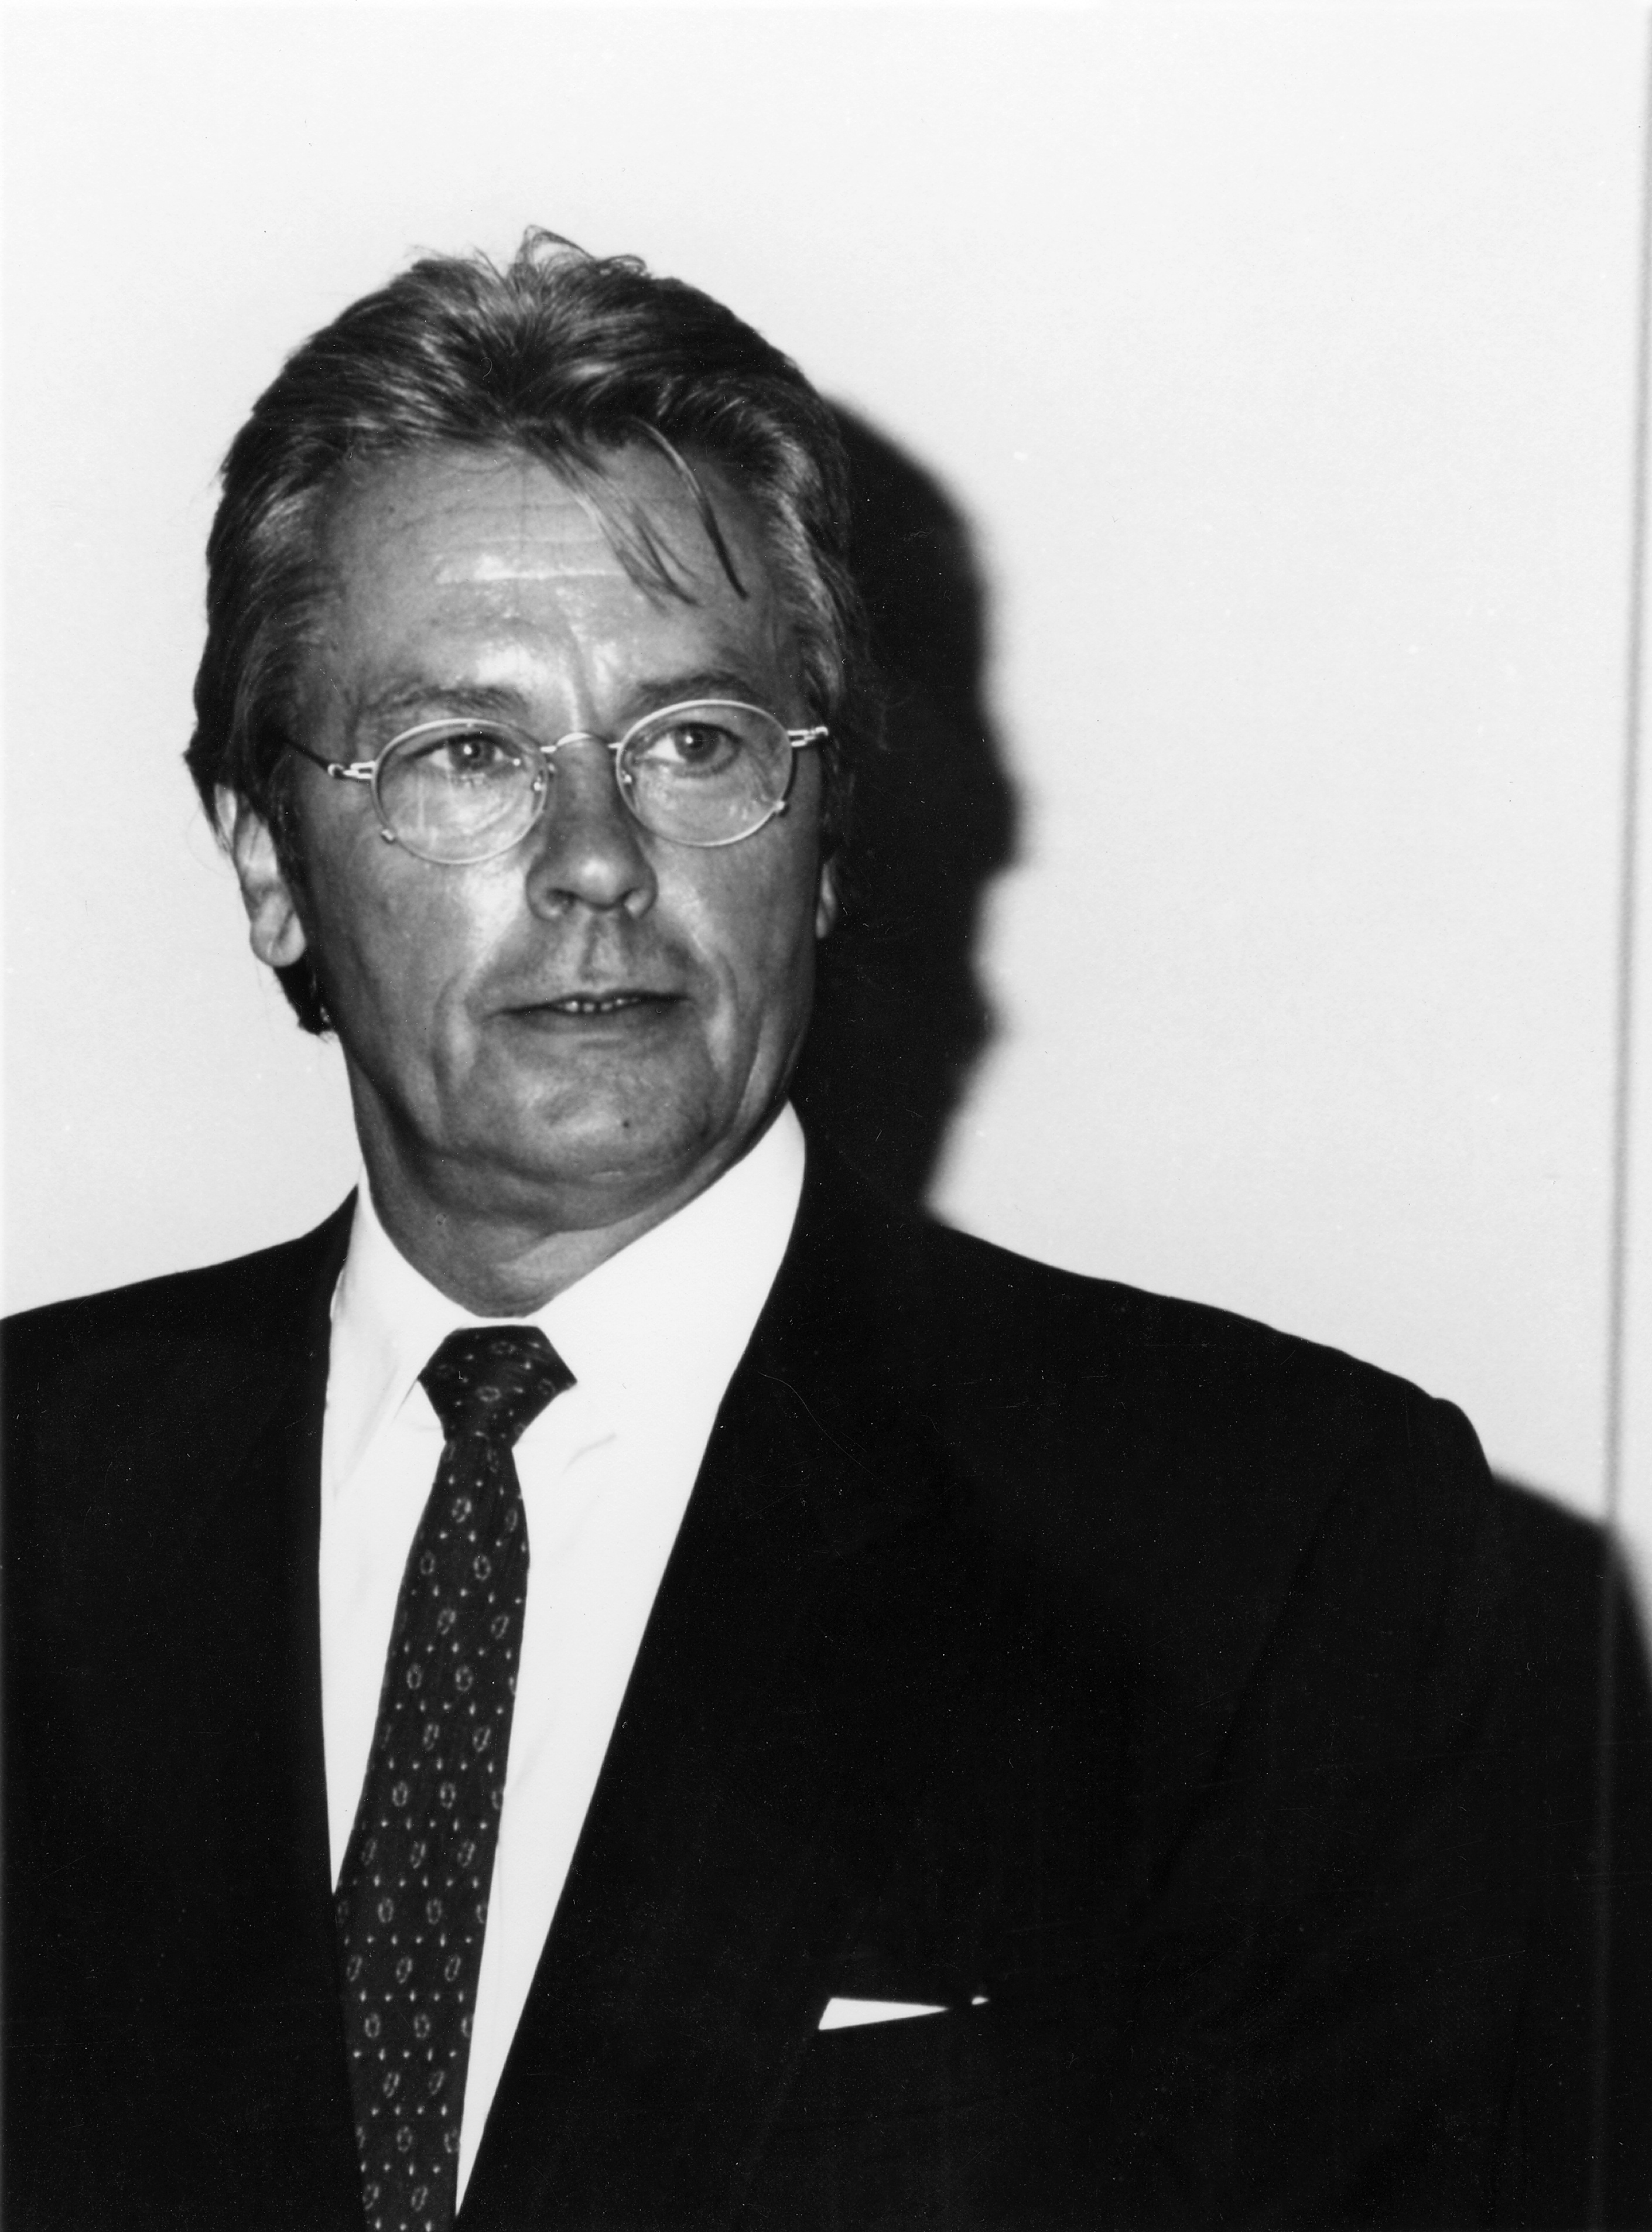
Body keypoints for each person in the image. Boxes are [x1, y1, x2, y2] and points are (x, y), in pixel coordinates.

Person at [4, 230, 1647, 2232]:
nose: (596, 860)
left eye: (694, 743)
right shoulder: (34, 1491)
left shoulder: (1279, 1546)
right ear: (270, 863)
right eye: (464, 754)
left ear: (828, 833)